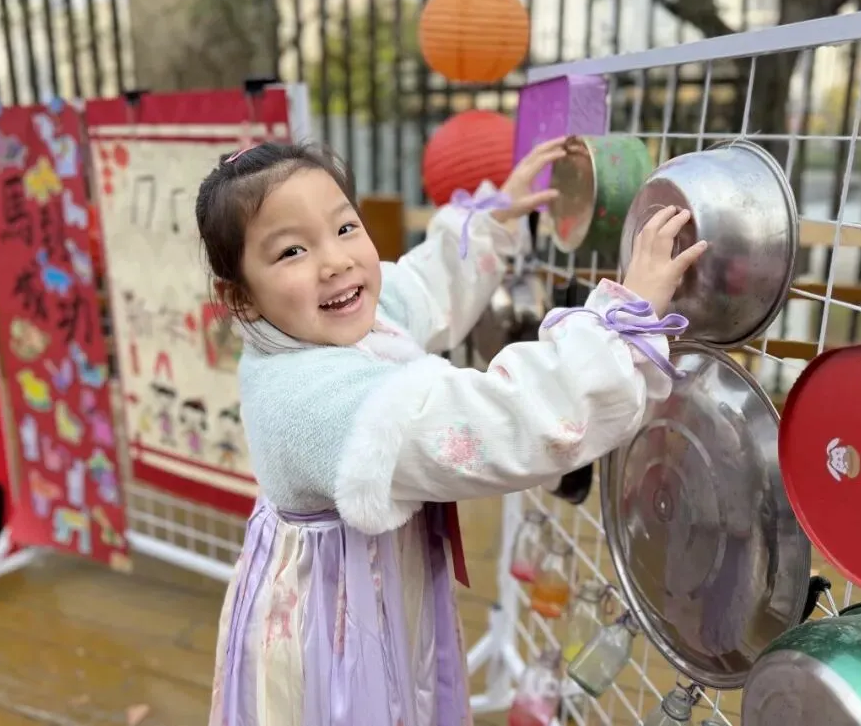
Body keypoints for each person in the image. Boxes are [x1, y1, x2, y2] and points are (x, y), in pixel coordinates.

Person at [195, 138, 707, 726]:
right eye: (292, 251)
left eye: (344, 228)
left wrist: (490, 224)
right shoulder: (316, 401)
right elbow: (497, 421)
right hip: (334, 624)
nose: (334, 262)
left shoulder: (321, 321)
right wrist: (619, 325)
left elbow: (419, 287)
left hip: (375, 582)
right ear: (241, 299)